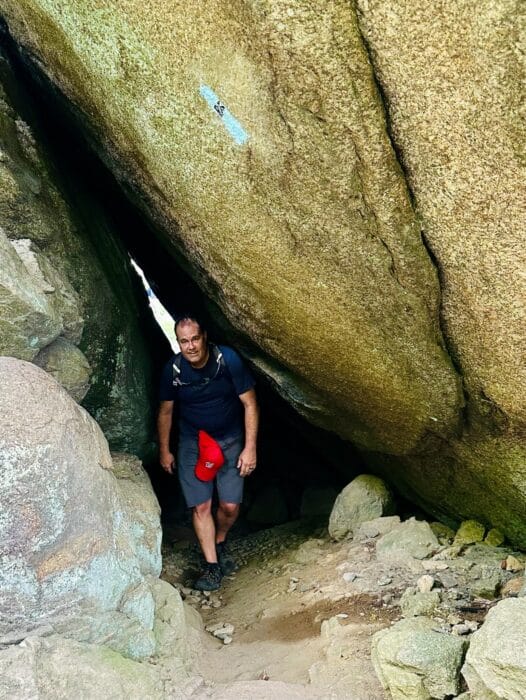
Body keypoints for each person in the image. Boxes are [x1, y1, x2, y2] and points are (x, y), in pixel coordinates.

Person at [158, 315, 259, 591]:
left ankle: (219, 538)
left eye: (194, 339)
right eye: (183, 341)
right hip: (193, 442)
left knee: (229, 506)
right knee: (201, 505)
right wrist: (165, 450)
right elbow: (166, 411)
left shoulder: (227, 361)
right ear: (178, 342)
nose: (190, 346)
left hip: (229, 440)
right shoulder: (174, 371)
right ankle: (212, 567)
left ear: (204, 337)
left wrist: (250, 448)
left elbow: (250, 404)